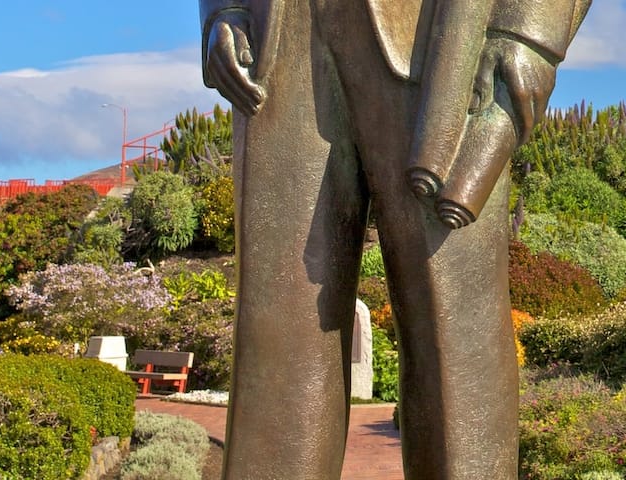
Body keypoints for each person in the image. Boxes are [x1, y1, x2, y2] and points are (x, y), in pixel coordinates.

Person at [196, 0, 588, 478]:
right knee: (274, 334)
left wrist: (532, 30)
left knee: (454, 334)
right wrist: (224, 9)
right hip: (275, 40)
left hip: (447, 42)